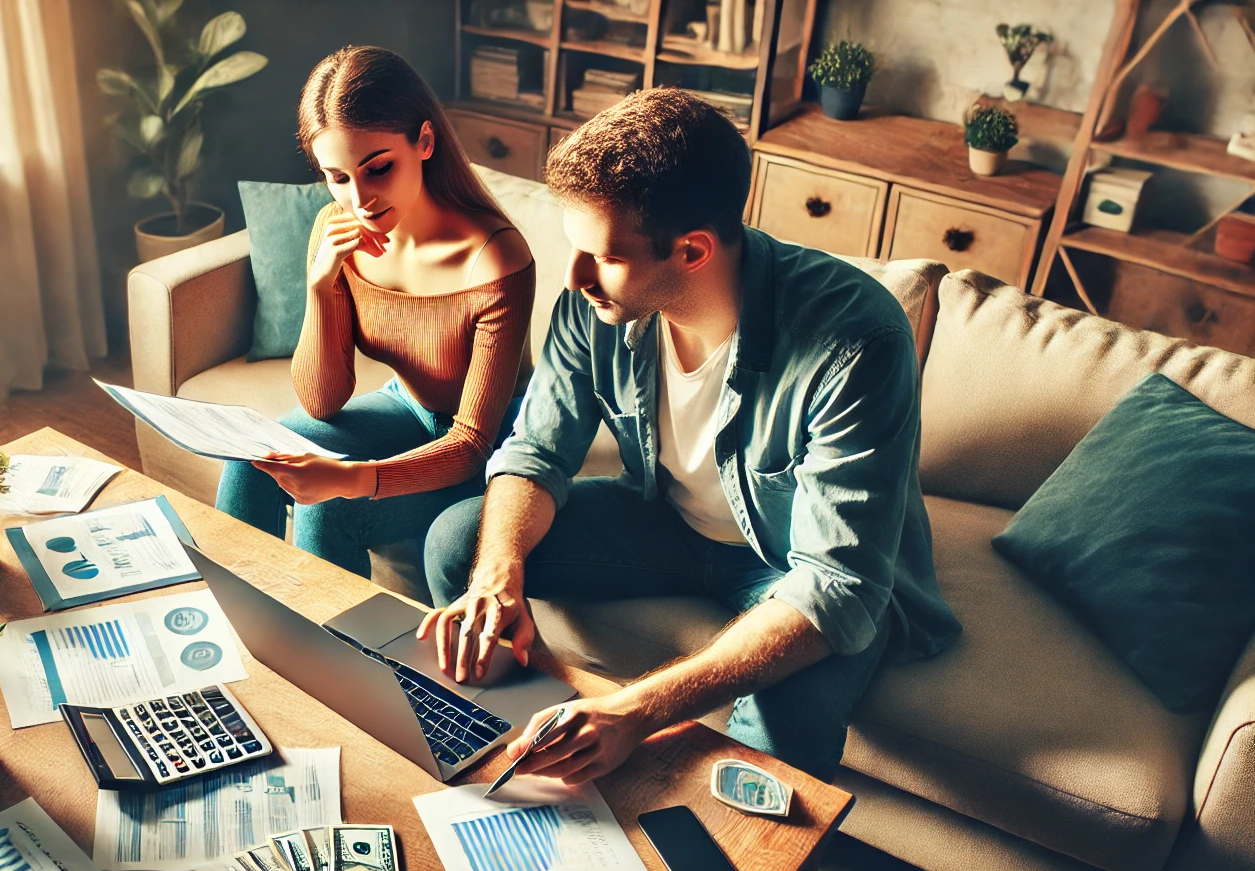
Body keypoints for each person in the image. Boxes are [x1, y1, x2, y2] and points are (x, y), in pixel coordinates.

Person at [418, 89, 960, 783]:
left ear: (693, 250)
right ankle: (533, 757)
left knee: (781, 729)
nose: (574, 277)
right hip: (663, 522)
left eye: (601, 258)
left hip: (796, 565)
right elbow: (537, 451)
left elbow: (838, 584)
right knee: (460, 546)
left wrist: (634, 711)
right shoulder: (596, 305)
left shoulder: (857, 339)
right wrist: (500, 579)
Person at [216, 46, 535, 583]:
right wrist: (320, 287)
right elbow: (322, 402)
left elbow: (470, 444)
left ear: (425, 142)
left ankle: (334, 657)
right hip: (403, 407)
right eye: (337, 177)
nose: (358, 198)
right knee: (252, 457)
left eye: (378, 168)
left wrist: (347, 478)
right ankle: (234, 625)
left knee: (329, 505)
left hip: (490, 444)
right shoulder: (335, 230)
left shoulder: (496, 259)